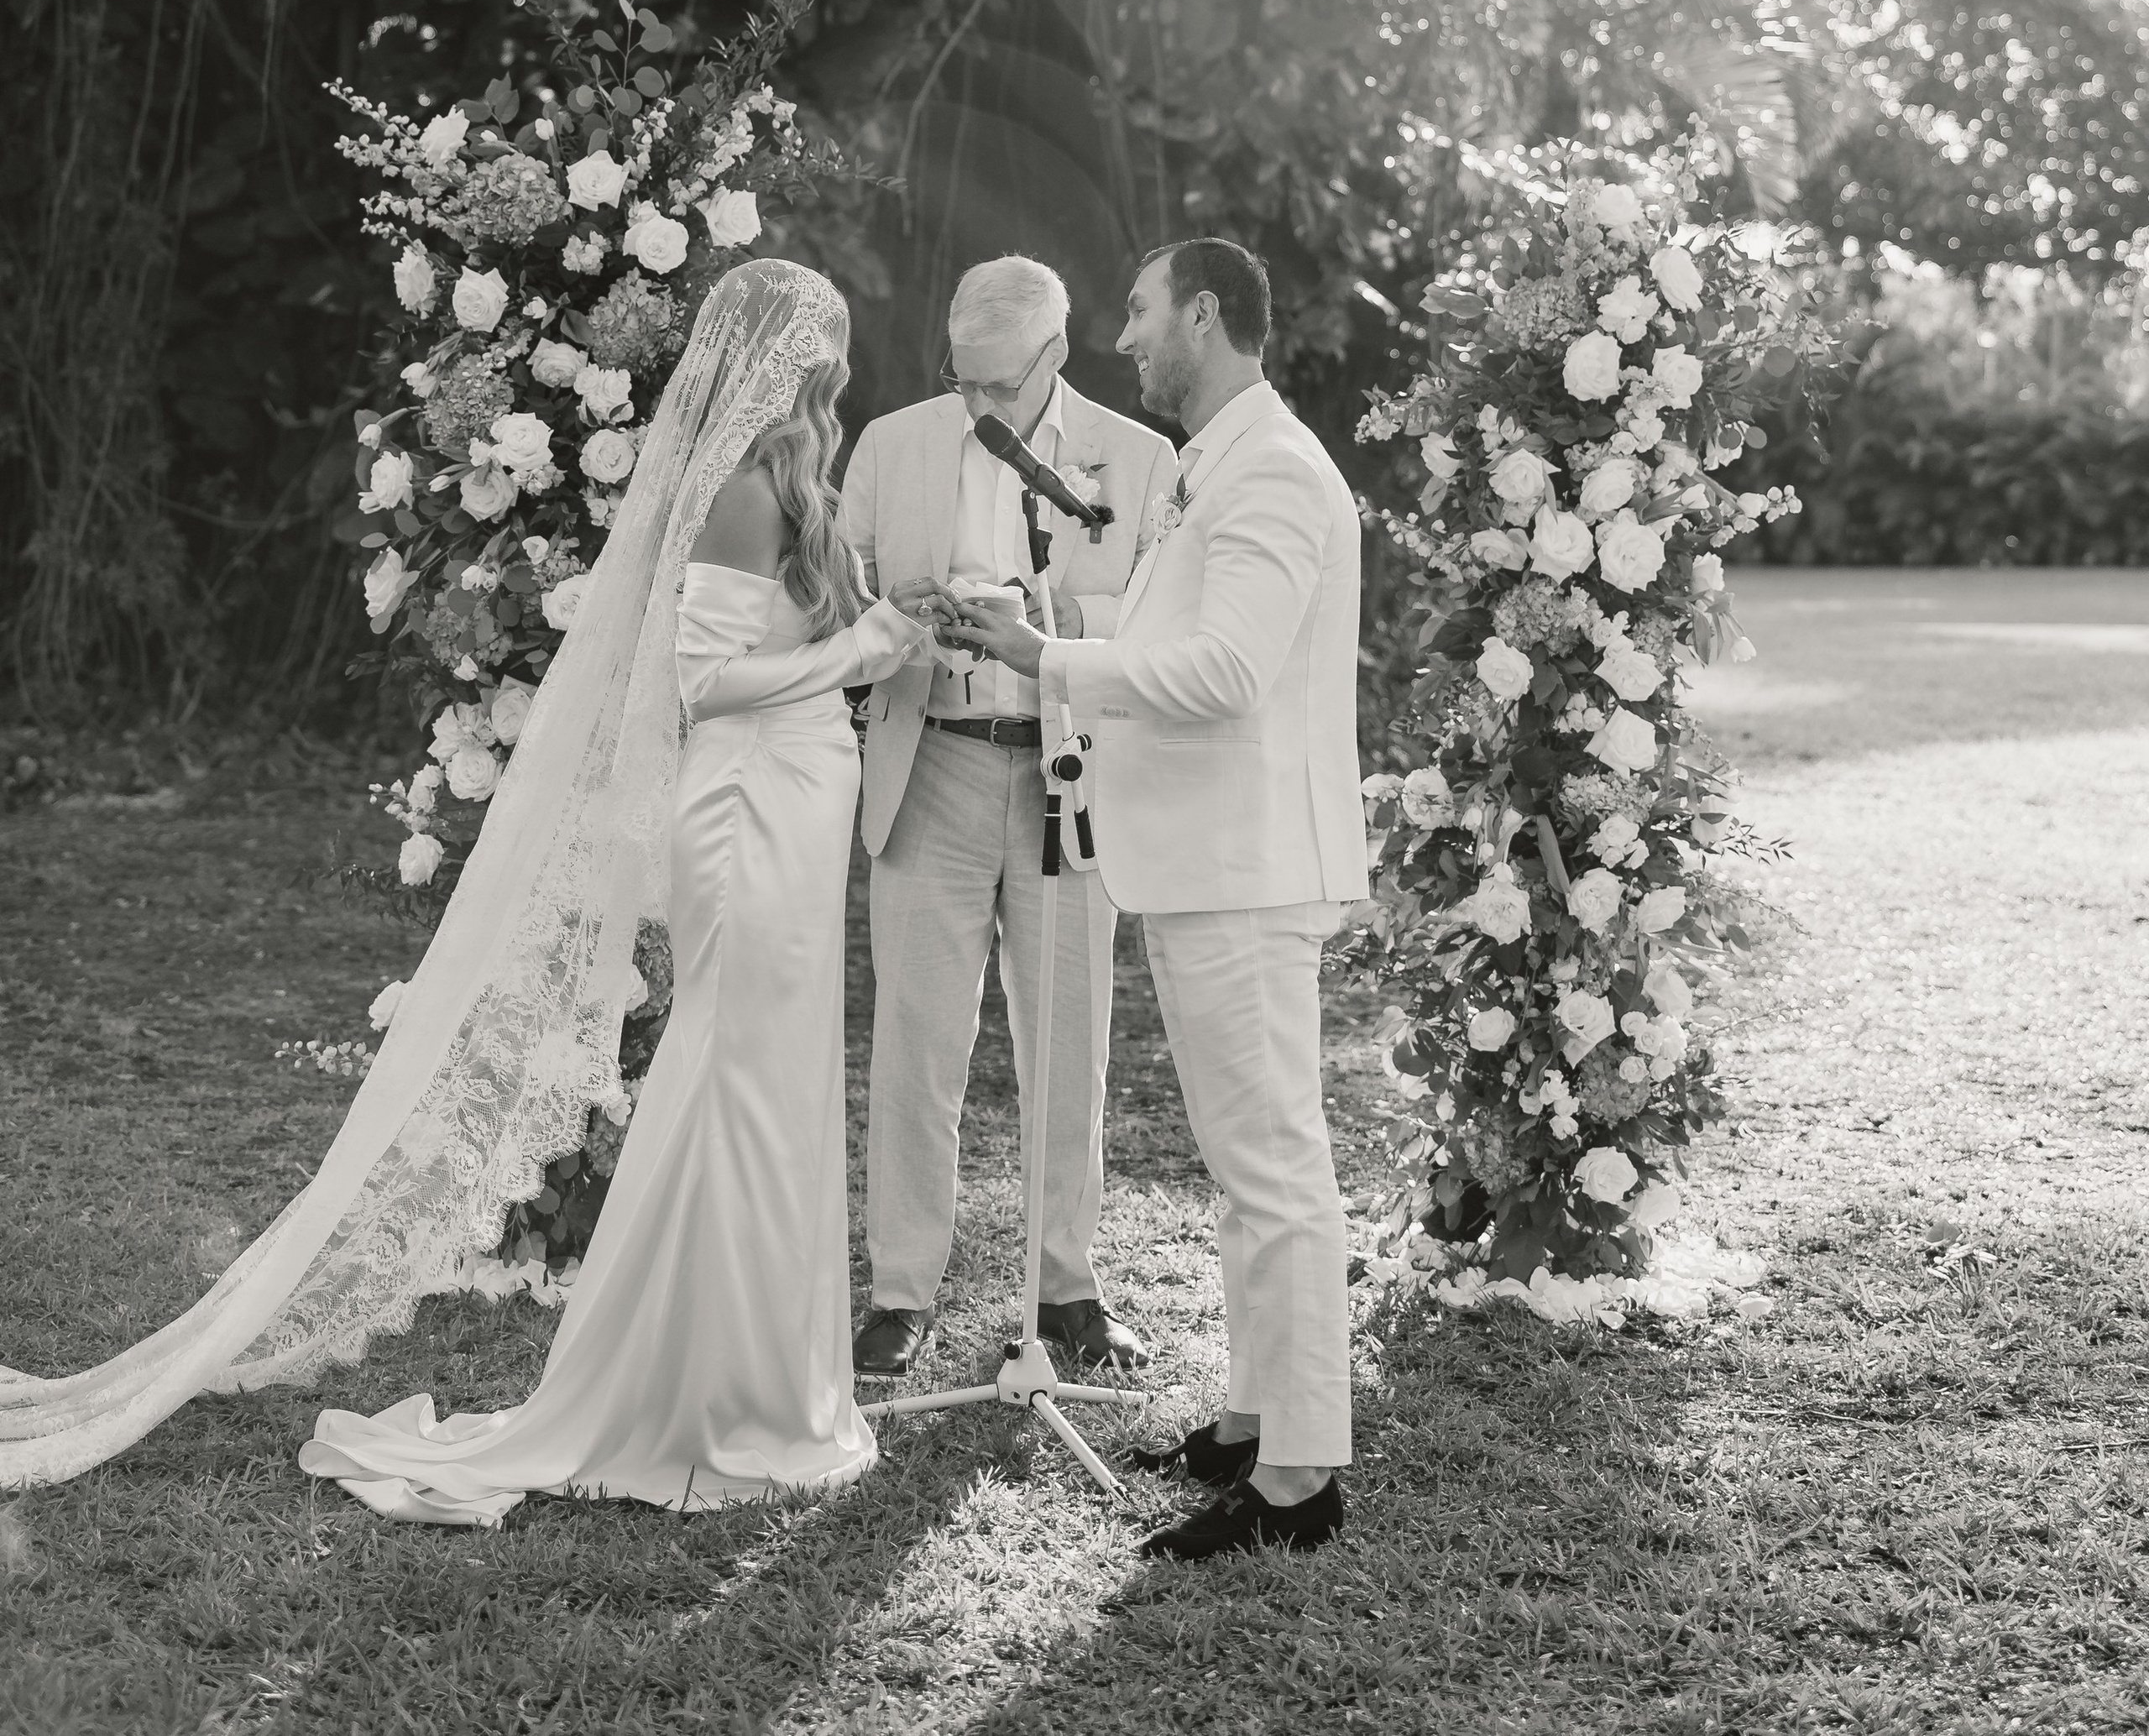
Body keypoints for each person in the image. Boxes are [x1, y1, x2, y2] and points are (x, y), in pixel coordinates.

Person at [0, 261, 929, 1514]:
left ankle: (761, 1375)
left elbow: (789, 652)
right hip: (751, 815)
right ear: (786, 360)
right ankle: (694, 1389)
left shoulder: (791, 483)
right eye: (828, 348)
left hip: (801, 811)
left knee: (779, 1087)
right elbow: (702, 687)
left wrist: (892, 626)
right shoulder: (743, 491)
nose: (840, 370)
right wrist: (862, 652)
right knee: (736, 1087)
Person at [946, 238, 1367, 1564]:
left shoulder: (1279, 471)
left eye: (1135, 312)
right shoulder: (1214, 465)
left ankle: (1300, 1480)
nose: (1121, 339)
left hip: (1247, 869)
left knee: (1276, 1170)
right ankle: (1254, 1418)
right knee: (1246, 1173)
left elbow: (1230, 671)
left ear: (1204, 313)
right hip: (1202, 862)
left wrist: (1047, 655)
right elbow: (1178, 632)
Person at [839, 254, 1177, 1379]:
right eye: (963, 381)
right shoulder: (891, 444)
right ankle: (900, 1291)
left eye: (999, 385)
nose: (978, 404)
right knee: (918, 1041)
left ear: (1055, 355)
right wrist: (901, 616)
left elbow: (1165, 618)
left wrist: (1052, 614)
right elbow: (840, 585)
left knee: (1068, 1039)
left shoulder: (1138, 458)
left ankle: (1067, 1284)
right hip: (931, 758)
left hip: (1064, 770)